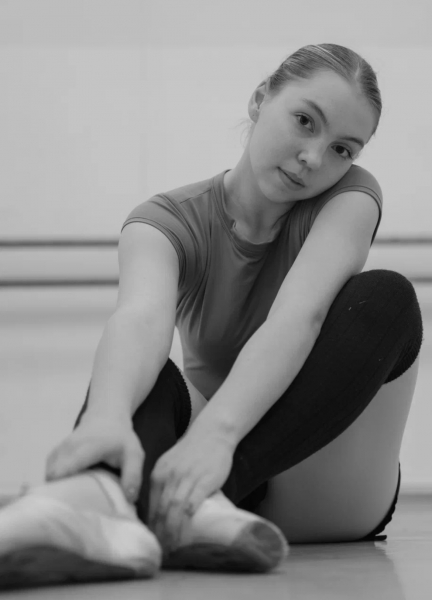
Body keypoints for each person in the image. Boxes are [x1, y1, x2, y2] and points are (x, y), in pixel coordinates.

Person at [0, 43, 424, 588]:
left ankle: (162, 505)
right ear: (259, 99)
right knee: (152, 376)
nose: (314, 158)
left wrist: (218, 439)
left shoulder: (352, 197)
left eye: (342, 149)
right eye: (304, 121)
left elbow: (299, 317)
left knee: (385, 297)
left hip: (322, 483)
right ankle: (92, 498)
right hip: (200, 481)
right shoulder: (164, 221)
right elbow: (141, 320)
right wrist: (107, 416)